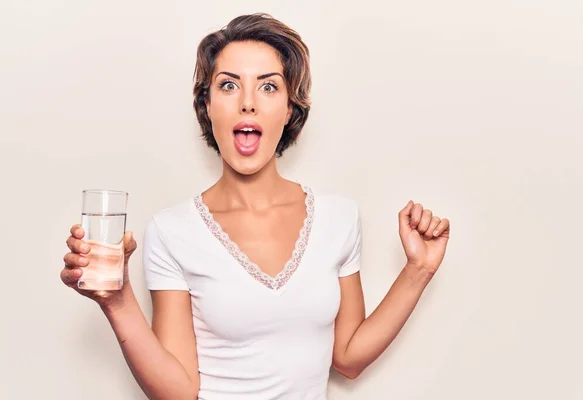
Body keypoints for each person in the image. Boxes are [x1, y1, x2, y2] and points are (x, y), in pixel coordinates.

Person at [60, 13, 451, 400]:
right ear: (208, 105)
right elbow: (178, 393)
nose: (247, 103)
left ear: (289, 109)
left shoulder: (340, 218)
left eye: (268, 87)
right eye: (228, 85)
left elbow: (348, 358)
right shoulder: (171, 231)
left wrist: (419, 269)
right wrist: (117, 300)